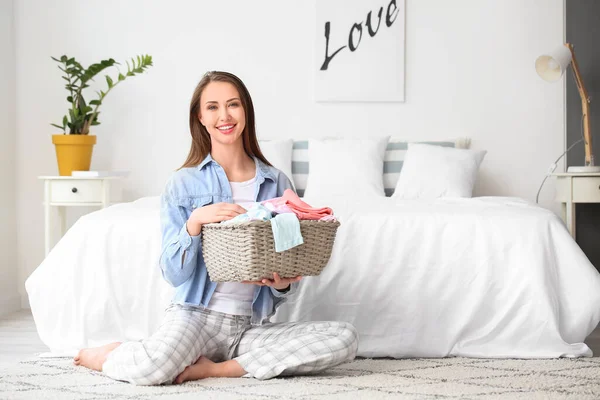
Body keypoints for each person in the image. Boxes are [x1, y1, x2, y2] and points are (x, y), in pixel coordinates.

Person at [73, 71, 359, 385]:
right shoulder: (183, 183)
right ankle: (111, 354)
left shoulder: (277, 183)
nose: (224, 115)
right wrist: (195, 222)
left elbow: (286, 261)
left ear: (246, 111)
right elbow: (173, 273)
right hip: (193, 317)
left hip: (246, 326)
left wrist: (281, 285)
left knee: (344, 338)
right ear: (200, 117)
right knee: (153, 370)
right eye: (212, 107)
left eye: (233, 105)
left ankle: (217, 368)